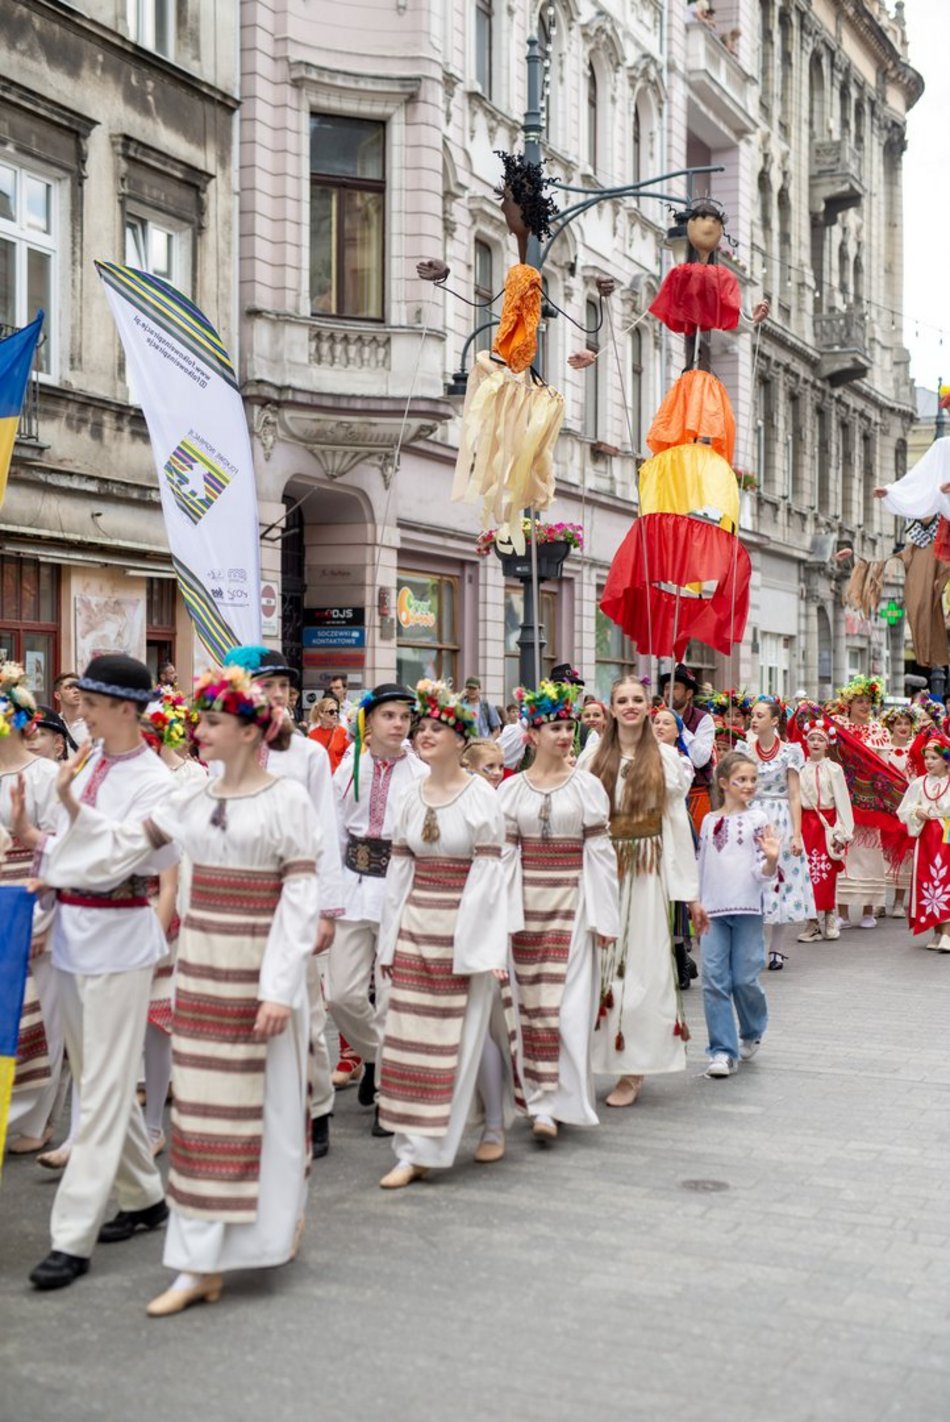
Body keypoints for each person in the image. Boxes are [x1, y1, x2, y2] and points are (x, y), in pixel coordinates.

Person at [32, 666, 322, 1314]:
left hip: (257, 970)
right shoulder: (192, 795)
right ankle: (197, 1264)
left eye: (213, 722)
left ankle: (267, 1228)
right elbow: (128, 846)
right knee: (198, 1116)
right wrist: (71, 807)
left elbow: (300, 897)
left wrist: (278, 987)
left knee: (263, 1110)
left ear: (251, 731)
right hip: (200, 968)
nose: (200, 732)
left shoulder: (287, 801)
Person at [12, 653, 177, 1293]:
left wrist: (65, 814)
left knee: (106, 1086)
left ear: (127, 709)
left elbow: (122, 854)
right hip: (74, 935)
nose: (80, 711)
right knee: (94, 1072)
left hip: (122, 937)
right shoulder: (86, 764)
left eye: (94, 703)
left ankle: (70, 1235)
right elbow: (69, 846)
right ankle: (144, 1199)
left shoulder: (161, 782)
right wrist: (36, 834)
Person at [376, 680, 508, 1187]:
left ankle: (493, 1124)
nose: (425, 734)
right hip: (416, 925)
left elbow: (489, 876)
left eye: (436, 728)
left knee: (472, 1032)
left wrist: (481, 943)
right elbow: (399, 875)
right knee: (413, 1038)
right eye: (422, 727)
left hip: (464, 927)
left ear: (460, 739)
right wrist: (390, 939)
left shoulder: (481, 799)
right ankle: (412, 1149)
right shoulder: (409, 798)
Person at [221, 646, 342, 1161]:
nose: (275, 695)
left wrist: (326, 908)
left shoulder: (307, 754)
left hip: (294, 894)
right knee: (246, 1006)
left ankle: (316, 1110)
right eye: (264, 685)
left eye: (282, 687)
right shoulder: (225, 748)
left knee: (306, 1010)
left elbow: (326, 831)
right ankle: (255, 1108)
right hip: (240, 899)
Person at [499, 680, 618, 1138]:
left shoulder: (586, 787)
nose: (565, 735)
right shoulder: (510, 792)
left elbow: (601, 855)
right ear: (532, 735)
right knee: (530, 1008)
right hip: (525, 909)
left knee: (567, 1009)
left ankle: (560, 1102)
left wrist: (604, 916)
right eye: (555, 727)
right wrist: (500, 918)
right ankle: (537, 1101)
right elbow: (503, 859)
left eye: (569, 726)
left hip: (573, 904)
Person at [589, 676, 700, 1107]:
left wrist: (688, 893)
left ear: (648, 707)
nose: (631, 706)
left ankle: (633, 1069)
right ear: (612, 708)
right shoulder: (593, 756)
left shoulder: (667, 760)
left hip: (647, 872)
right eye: (623, 700)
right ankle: (598, 1058)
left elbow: (676, 826)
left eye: (638, 699)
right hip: (603, 869)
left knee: (641, 969)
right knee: (600, 967)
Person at [328, 683, 428, 1135]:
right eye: (389, 716)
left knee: (391, 993)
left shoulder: (422, 774)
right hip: (352, 885)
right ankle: (378, 1058)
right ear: (370, 722)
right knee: (342, 994)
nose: (398, 724)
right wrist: (327, 893)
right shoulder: (348, 769)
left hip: (399, 886)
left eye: (405, 717)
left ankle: (389, 1090)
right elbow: (333, 833)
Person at [139, 691, 208, 1157]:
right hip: (112, 905)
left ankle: (152, 1123)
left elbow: (177, 858)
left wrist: (168, 910)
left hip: (161, 903)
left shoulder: (184, 781)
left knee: (158, 1021)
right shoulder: (105, 775)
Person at [1, 665, 62, 1155]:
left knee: (44, 1012)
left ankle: (35, 1119)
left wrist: (45, 914)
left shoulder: (46, 776)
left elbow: (61, 846)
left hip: (32, 900)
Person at [697, 752, 779, 1079]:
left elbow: (763, 871)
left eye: (752, 779)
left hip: (747, 909)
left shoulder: (758, 818)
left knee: (745, 978)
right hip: (712, 911)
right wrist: (696, 902)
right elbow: (701, 863)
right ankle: (721, 1051)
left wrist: (771, 861)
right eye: (741, 780)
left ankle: (752, 1027)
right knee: (714, 980)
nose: (748, 785)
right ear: (723, 783)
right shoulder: (708, 821)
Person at [739, 697, 815, 970]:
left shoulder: (789, 752)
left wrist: (797, 834)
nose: (754, 720)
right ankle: (756, 944)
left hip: (781, 816)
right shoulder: (745, 750)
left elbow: (795, 794)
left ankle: (777, 948)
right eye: (753, 716)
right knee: (754, 881)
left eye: (760, 716)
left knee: (782, 880)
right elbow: (740, 790)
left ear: (774, 721)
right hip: (753, 817)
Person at [833, 677, 890, 929]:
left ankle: (869, 910)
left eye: (868, 701)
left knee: (868, 853)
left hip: (869, 799)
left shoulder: (879, 731)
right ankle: (842, 912)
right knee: (843, 850)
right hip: (843, 795)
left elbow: (884, 766)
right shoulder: (839, 727)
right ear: (849, 703)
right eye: (859, 701)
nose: (864, 705)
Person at [796, 715, 854, 943]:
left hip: (827, 825)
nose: (816, 743)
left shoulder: (835, 770)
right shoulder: (799, 768)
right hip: (806, 825)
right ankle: (811, 922)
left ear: (827, 743)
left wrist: (843, 830)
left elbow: (842, 802)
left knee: (827, 873)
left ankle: (830, 915)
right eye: (812, 739)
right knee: (807, 874)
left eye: (820, 739)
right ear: (806, 742)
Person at [897, 736, 950, 951]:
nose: (929, 762)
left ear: (946, 760)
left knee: (946, 879)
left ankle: (947, 931)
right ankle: (937, 930)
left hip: (946, 835)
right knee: (927, 880)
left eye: (934, 758)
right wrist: (915, 811)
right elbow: (903, 809)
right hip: (926, 838)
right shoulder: (919, 783)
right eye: (927, 757)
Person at [658, 664, 715, 832]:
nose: (669, 692)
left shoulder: (704, 720)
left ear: (689, 693)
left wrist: (680, 728)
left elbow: (700, 759)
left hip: (695, 794)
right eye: (667, 688)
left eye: (675, 688)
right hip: (662, 796)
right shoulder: (656, 718)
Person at [882, 706, 918, 919]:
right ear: (891, 727)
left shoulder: (915, 749)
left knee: (903, 855)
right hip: (887, 806)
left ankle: (898, 901)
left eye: (906, 723)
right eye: (898, 724)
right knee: (883, 855)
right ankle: (879, 901)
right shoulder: (883, 748)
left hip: (906, 805)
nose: (903, 728)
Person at [308, 696, 350, 774]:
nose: (335, 714)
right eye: (331, 711)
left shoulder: (342, 732)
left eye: (336, 711)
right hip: (320, 777)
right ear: (321, 714)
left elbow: (349, 752)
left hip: (338, 777)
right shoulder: (312, 735)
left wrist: (343, 765)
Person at [52, 672, 89, 750]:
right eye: (69, 687)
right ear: (57, 695)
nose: (76, 691)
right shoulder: (54, 724)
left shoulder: (94, 723)